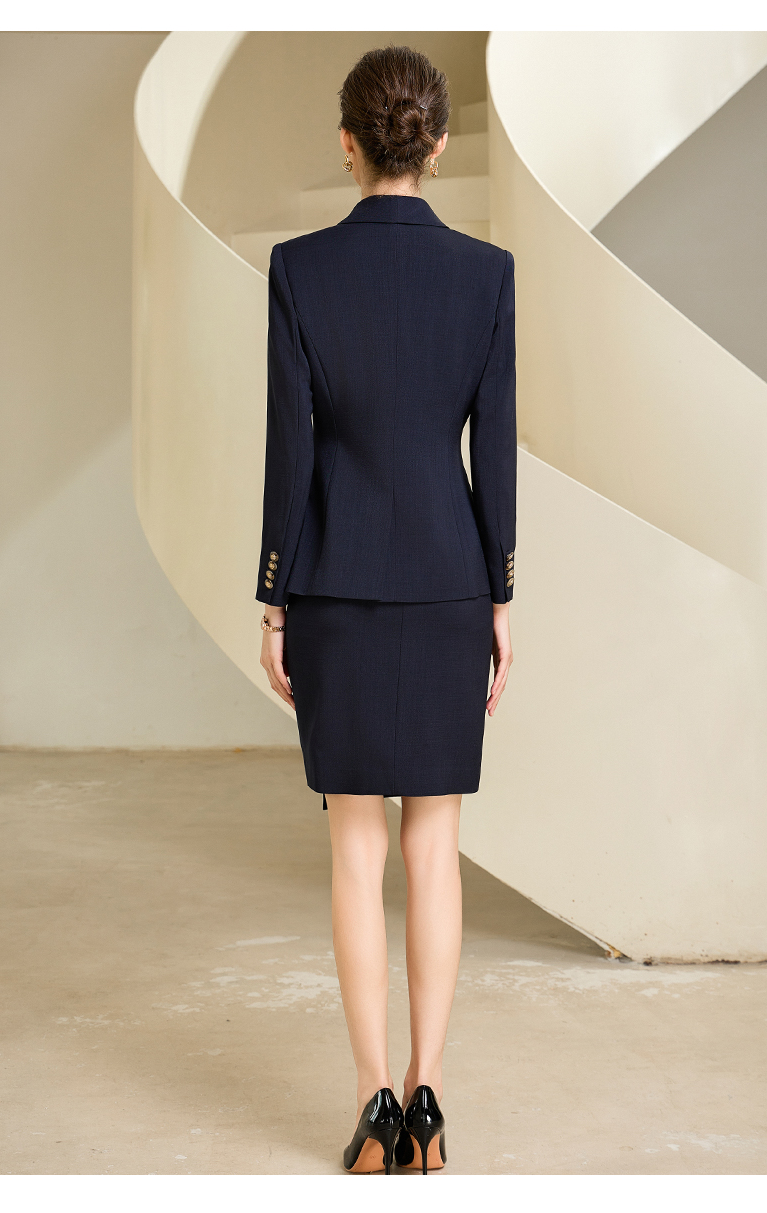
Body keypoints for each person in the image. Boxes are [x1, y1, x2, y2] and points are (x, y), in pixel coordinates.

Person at [257, 45, 516, 1174]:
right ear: (439, 145)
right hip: (451, 581)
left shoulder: (300, 269)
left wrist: (274, 599)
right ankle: (429, 1097)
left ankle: (372, 1107)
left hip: (337, 583)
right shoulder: (486, 274)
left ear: (348, 143)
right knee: (436, 848)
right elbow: (493, 451)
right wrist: (501, 593)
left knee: (355, 849)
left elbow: (290, 451)